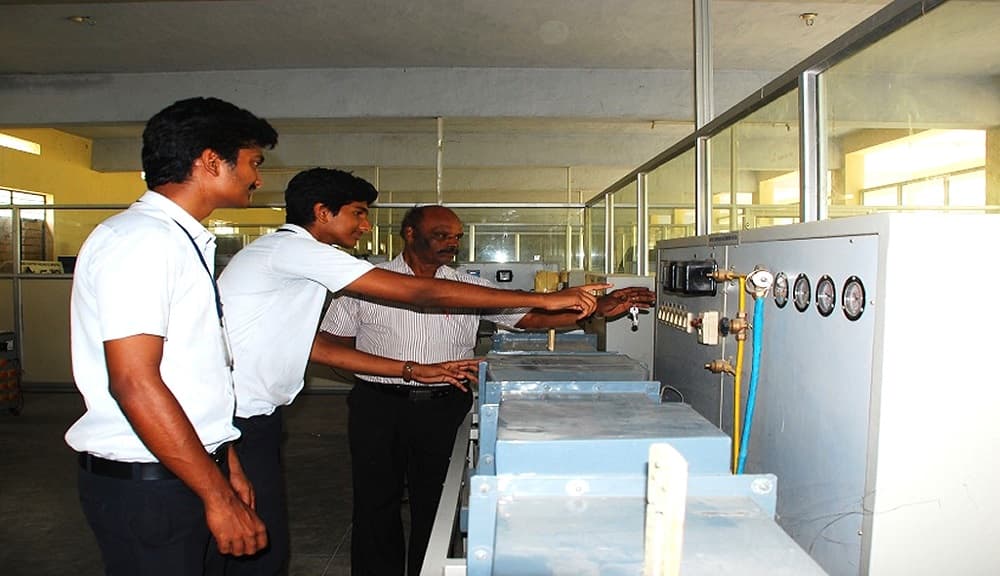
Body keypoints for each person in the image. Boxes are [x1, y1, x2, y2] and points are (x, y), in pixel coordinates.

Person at [212, 168, 605, 575]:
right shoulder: (301, 255)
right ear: (322, 212)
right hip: (292, 411)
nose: (366, 225)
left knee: (433, 502)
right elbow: (418, 294)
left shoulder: (305, 265)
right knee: (345, 512)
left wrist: (410, 369)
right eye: (359, 213)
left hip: (277, 415)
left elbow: (313, 346)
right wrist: (548, 297)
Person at [319, 204, 657, 576]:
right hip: (379, 406)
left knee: (438, 503)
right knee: (374, 502)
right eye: (441, 235)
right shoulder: (366, 282)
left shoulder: (468, 287)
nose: (452, 243)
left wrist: (597, 310)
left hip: (444, 405)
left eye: (457, 238)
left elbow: (529, 318)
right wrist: (391, 374)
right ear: (410, 234)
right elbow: (334, 345)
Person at [65, 97, 278, 575]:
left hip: (186, 469)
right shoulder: (144, 241)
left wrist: (227, 461)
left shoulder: (178, 240)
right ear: (209, 161)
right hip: (152, 486)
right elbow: (135, 382)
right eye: (252, 163)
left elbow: (193, 374)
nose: (258, 179)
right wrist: (216, 494)